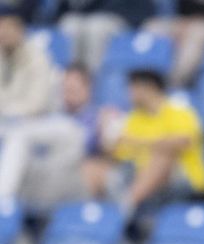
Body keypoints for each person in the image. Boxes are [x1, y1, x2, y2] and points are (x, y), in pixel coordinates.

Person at [105, 69, 204, 214]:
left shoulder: (178, 110)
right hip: (141, 174)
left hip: (184, 177)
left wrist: (139, 142)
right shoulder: (135, 117)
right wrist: (108, 136)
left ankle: (124, 209)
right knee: (98, 168)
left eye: (132, 87)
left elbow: (182, 142)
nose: (129, 93)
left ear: (148, 87)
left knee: (162, 156)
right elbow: (121, 154)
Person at [0, 9, 65, 206]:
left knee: (17, 137)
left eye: (7, 28)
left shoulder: (38, 57)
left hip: (44, 122)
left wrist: (8, 111)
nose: (3, 33)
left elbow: (37, 104)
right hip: (8, 121)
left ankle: (3, 199)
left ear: (20, 30)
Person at [56, 0, 151, 73]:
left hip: (122, 16)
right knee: (69, 24)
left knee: (95, 27)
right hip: (88, 15)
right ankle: (70, 81)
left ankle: (92, 83)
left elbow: (142, 8)